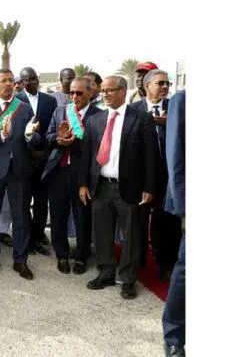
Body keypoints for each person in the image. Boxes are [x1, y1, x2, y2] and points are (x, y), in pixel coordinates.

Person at [78, 76, 157, 300]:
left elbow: (151, 157)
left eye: (109, 91)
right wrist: (83, 184)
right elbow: (87, 155)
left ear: (122, 91)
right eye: (102, 91)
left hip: (129, 188)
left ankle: (128, 279)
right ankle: (106, 272)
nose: (104, 95)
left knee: (131, 236)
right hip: (100, 187)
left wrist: (149, 187)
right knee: (102, 233)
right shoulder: (95, 120)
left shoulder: (140, 119)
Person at [0, 68, 43, 280]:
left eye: (10, 81)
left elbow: (37, 140)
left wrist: (31, 136)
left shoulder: (23, 108)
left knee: (21, 216)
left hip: (20, 169)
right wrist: (1, 135)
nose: (7, 84)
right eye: (3, 81)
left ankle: (20, 260)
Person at [42, 77, 103, 274]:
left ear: (90, 93)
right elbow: (48, 137)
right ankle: (62, 255)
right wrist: (59, 139)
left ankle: (81, 256)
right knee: (58, 215)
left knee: (82, 217)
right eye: (72, 93)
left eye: (79, 93)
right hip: (58, 171)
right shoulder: (61, 111)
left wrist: (74, 142)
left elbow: (98, 147)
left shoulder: (98, 115)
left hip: (82, 175)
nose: (75, 96)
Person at [130, 70, 180, 282]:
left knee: (166, 221)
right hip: (140, 177)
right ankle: (136, 263)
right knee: (138, 222)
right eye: (160, 83)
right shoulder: (133, 109)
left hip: (167, 175)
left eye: (167, 83)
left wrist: (171, 125)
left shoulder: (175, 108)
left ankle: (165, 264)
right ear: (148, 85)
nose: (165, 87)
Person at [17, 66, 58, 256]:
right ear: (22, 82)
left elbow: (53, 128)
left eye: (33, 78)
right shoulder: (16, 101)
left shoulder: (50, 100)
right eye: (27, 80)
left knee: (42, 205)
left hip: (44, 160)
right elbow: (16, 133)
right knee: (24, 203)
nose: (31, 82)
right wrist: (29, 151)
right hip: (24, 160)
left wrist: (44, 153)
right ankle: (26, 239)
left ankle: (36, 238)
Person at [162, 89, 185, 356]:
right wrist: (184, 211)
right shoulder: (185, 100)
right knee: (186, 269)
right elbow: (176, 158)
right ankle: (174, 336)